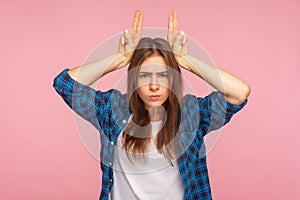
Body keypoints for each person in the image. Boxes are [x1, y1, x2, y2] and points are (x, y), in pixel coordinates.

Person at [53, 10, 250, 200]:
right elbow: (64, 84)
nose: (154, 86)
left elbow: (239, 92)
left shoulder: (192, 114)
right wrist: (119, 59)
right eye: (144, 75)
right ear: (134, 80)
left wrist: (186, 60)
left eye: (163, 75)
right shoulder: (112, 110)